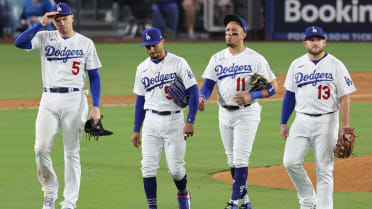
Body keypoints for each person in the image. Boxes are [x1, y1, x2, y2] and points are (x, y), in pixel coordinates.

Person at [14, 3, 102, 209]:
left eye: (64, 18)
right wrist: (40, 24)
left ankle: (69, 203)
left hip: (75, 99)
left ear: (72, 18)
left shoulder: (86, 43)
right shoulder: (45, 37)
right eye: (57, 19)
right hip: (49, 99)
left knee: (72, 153)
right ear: (53, 20)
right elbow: (19, 43)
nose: (61, 23)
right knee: (40, 148)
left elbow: (94, 77)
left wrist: (96, 106)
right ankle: (49, 194)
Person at [198, 14, 278, 209]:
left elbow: (274, 87)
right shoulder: (217, 58)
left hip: (247, 113)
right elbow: (208, 85)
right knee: (232, 159)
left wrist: (253, 96)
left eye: (234, 32)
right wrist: (202, 97)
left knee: (241, 158)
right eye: (227, 31)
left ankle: (233, 202)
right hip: (224, 113)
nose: (229, 35)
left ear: (244, 35)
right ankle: (246, 201)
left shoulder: (255, 58)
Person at [280, 26, 356, 209]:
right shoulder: (296, 64)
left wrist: (345, 126)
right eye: (311, 39)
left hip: (327, 121)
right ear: (305, 43)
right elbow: (289, 95)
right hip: (301, 120)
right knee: (290, 162)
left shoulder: (336, 65)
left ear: (324, 42)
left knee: (324, 170)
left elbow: (345, 96)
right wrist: (284, 121)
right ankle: (308, 200)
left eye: (318, 39)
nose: (315, 42)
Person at [131, 28, 199, 209]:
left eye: (153, 45)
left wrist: (190, 121)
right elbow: (140, 100)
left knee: (176, 170)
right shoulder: (141, 68)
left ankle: (183, 193)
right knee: (147, 168)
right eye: (147, 47)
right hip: (151, 123)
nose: (151, 49)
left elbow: (193, 90)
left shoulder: (178, 63)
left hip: (175, 121)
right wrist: (136, 129)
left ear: (162, 41)